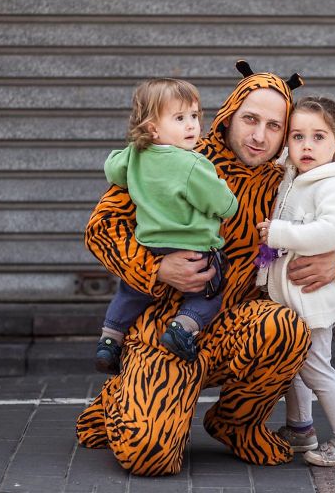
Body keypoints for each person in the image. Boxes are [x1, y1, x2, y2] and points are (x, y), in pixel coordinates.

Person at [76, 61, 335, 476]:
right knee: (149, 456)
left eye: (274, 126)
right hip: (170, 330)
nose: (259, 136)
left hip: (237, 324)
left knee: (286, 326)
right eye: (251, 119)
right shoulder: (177, 158)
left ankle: (238, 424)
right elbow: (102, 227)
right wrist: (156, 268)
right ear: (229, 115)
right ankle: (121, 398)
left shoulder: (286, 181)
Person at [94, 78, 238, 374]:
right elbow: (225, 205)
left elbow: (113, 171)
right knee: (208, 295)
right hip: (194, 249)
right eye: (180, 118)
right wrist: (225, 193)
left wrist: (135, 153)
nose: (192, 126)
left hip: (150, 248)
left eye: (195, 116)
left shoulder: (135, 155)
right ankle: (182, 329)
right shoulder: (193, 164)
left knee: (130, 293)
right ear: (153, 128)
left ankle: (110, 339)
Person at [256, 96, 335, 467]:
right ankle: (300, 429)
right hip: (292, 299)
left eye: (318, 137)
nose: (306, 145)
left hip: (311, 299)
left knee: (317, 369)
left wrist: (278, 233)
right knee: (295, 367)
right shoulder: (294, 176)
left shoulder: (332, 186)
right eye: (297, 136)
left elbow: (333, 232)